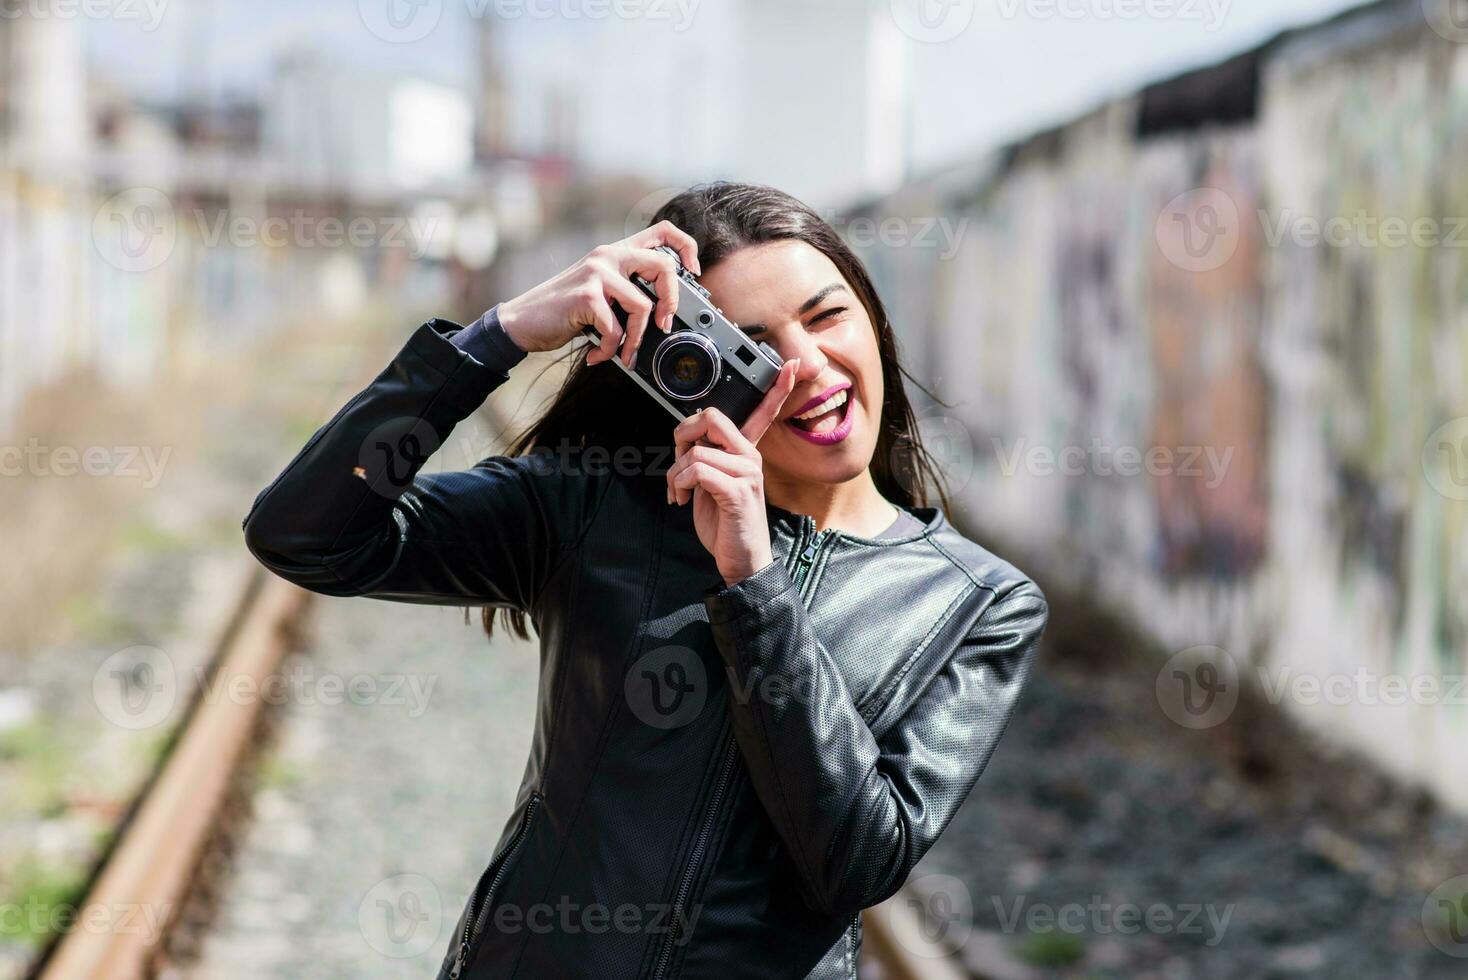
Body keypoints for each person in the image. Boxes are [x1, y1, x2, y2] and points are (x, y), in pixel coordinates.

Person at [242, 181, 1049, 980]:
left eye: (827, 314)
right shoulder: (596, 500)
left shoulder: (977, 602)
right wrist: (494, 340)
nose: (804, 365)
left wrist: (753, 587)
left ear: (874, 318)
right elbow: (306, 536)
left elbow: (860, 861)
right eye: (755, 344)